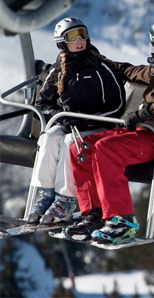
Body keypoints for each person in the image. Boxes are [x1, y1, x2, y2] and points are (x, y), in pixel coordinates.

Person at [65, 16, 154, 244]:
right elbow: (133, 72)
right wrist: (100, 61)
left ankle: (122, 221)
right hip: (149, 132)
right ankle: (94, 214)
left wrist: (144, 113)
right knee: (80, 149)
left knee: (107, 149)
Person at [27, 17, 126, 225]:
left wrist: (87, 121)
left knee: (70, 142)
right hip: (69, 124)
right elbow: (43, 103)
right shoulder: (60, 68)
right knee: (49, 138)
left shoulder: (100, 67)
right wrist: (62, 117)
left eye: (83, 33)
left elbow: (118, 106)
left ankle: (66, 199)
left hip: (98, 126)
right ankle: (45, 195)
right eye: (73, 36)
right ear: (62, 42)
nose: (80, 40)